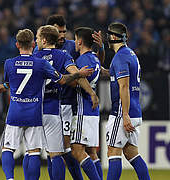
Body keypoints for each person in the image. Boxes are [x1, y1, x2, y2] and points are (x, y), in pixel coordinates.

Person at [0, 29, 94, 180]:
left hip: (32, 110)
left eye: (39, 37)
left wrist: (5, 86)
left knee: (27, 151)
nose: (38, 41)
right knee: (56, 154)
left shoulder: (22, 59)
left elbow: (13, 80)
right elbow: (65, 78)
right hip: (52, 109)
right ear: (32, 43)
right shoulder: (57, 57)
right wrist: (89, 89)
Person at [34, 14, 104, 180]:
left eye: (64, 31)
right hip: (56, 103)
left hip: (71, 104)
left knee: (76, 150)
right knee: (60, 150)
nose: (61, 35)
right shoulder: (39, 51)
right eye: (58, 32)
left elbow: (95, 66)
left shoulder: (72, 46)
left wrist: (100, 49)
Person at [104, 22, 150, 180]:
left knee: (112, 151)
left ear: (114, 37)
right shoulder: (130, 54)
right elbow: (112, 74)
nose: (107, 39)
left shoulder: (120, 57)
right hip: (135, 111)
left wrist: (124, 114)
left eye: (109, 35)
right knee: (131, 153)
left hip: (122, 113)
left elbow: (124, 86)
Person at [70, 27, 102, 180]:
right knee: (91, 152)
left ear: (80, 41)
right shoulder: (95, 58)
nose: (75, 43)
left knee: (76, 150)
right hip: (93, 112)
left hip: (83, 109)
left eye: (76, 39)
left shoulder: (81, 60)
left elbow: (79, 80)